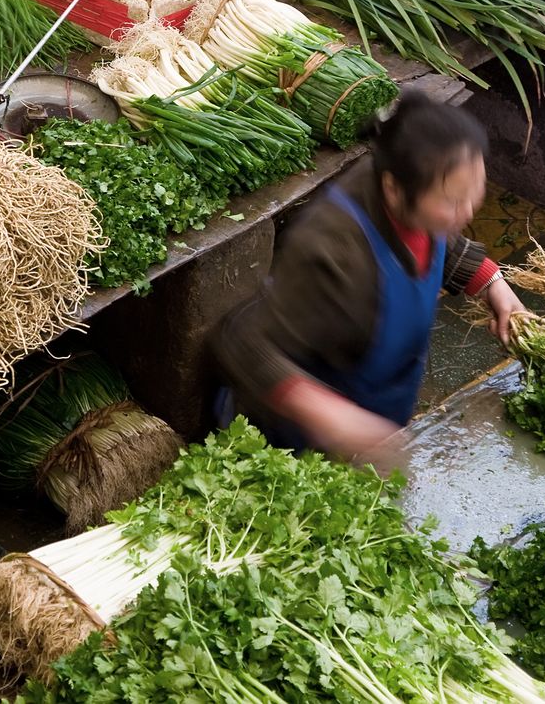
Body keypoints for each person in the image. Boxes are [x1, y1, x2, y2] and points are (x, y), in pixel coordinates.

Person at [215, 92, 528, 470]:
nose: (468, 210)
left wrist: (492, 282)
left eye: (475, 190)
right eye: (453, 200)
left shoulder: (420, 202)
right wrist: (330, 416)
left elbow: (441, 236)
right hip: (292, 446)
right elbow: (245, 344)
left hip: (374, 432)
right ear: (394, 189)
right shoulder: (330, 249)